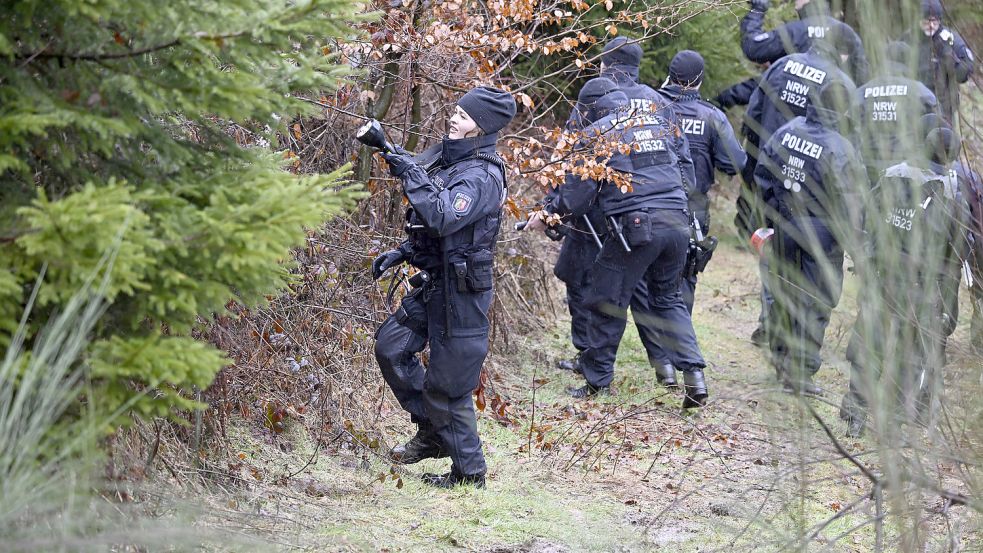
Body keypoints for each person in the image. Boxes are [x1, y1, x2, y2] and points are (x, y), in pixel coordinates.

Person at [526, 83, 709, 406]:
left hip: (637, 227)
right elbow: (687, 174)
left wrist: (549, 215)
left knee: (605, 299)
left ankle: (597, 382)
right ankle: (694, 376)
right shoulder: (657, 124)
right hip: (677, 222)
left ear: (593, 109)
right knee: (667, 298)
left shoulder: (598, 133)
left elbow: (576, 198)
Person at [372, 86, 516, 488]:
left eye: (464, 116)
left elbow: (441, 216)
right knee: (391, 347)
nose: (454, 119)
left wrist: (404, 166)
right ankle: (433, 433)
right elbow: (434, 227)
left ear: (481, 127)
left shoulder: (483, 176)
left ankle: (470, 474)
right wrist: (401, 253)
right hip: (436, 285)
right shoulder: (451, 159)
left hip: (462, 296)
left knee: (449, 389)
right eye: (455, 111)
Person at [551, 37, 698, 381]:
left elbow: (572, 161)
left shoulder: (595, 98)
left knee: (596, 287)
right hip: (664, 210)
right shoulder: (658, 103)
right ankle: (667, 367)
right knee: (658, 293)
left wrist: (555, 207)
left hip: (606, 213)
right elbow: (683, 160)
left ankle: (591, 363)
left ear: (605, 63)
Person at [840, 122, 971, 436]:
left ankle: (856, 415)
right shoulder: (953, 191)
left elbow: (863, 218)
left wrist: (864, 258)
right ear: (951, 157)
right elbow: (961, 247)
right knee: (911, 355)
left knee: (869, 347)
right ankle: (894, 423)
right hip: (923, 287)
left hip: (882, 277)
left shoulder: (893, 174)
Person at [754, 81, 866, 395]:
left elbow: (763, 175)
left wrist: (772, 218)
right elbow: (851, 204)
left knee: (785, 292)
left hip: (784, 227)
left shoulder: (787, 131)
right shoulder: (841, 148)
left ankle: (780, 358)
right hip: (822, 236)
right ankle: (799, 374)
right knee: (816, 302)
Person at [743, 39, 856, 347]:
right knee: (817, 293)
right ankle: (799, 361)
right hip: (819, 224)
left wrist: (768, 211)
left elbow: (754, 112)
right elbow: (848, 198)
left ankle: (774, 335)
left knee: (779, 275)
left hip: (782, 202)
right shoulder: (840, 141)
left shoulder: (781, 65)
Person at [650, 50, 747, 387]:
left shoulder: (652, 105)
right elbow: (733, 163)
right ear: (700, 80)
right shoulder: (712, 117)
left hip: (650, 202)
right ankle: (679, 358)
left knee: (646, 280)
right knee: (683, 281)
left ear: (669, 75)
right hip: (691, 209)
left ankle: (661, 362)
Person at [853, 41, 939, 183]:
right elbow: (936, 127)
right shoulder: (921, 92)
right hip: (906, 168)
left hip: (869, 165)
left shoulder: (863, 91)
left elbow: (850, 125)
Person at [741, 0, 868, 83]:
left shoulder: (795, 31)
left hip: (789, 118)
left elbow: (753, 48)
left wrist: (758, 9)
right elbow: (862, 78)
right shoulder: (848, 33)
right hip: (835, 118)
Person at [905, 0, 974, 123]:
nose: (931, 25)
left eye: (934, 21)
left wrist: (948, 54)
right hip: (914, 107)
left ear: (940, 20)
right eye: (926, 21)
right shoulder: (908, 39)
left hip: (944, 109)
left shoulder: (950, 39)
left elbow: (964, 74)